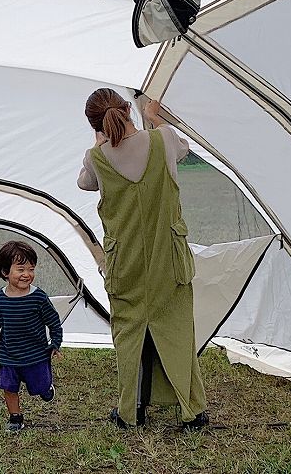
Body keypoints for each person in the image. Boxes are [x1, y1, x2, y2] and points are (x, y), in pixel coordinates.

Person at [77, 88, 208, 431]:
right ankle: (193, 411)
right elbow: (183, 149)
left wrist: (99, 142)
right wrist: (154, 118)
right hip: (170, 257)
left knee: (128, 334)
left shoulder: (96, 157)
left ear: (95, 125)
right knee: (177, 331)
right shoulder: (164, 139)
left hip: (125, 263)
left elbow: (85, 184)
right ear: (127, 108)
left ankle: (129, 411)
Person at [0, 240, 63, 433]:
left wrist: (55, 343)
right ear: (5, 272)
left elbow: (53, 322)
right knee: (9, 387)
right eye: (21, 269)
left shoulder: (39, 297)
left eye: (31, 269)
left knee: (40, 386)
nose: (27, 274)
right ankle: (15, 417)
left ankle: (46, 388)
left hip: (36, 355)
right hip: (9, 356)